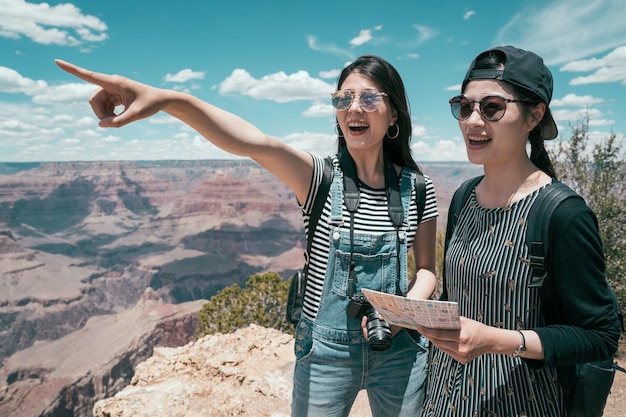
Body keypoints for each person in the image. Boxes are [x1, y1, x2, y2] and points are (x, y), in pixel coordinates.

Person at [56, 54, 439, 417]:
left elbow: (426, 270)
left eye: (370, 97)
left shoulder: (417, 189)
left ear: (394, 118)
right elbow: (252, 141)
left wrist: (398, 315)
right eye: (344, 97)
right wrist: (170, 100)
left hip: (399, 350)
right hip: (325, 355)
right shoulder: (318, 177)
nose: (354, 107)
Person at [416, 45, 622, 416]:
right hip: (445, 397)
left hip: (522, 402)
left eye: (492, 107)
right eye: (465, 107)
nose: (472, 121)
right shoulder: (464, 198)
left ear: (534, 116)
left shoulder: (563, 213)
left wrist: (499, 340)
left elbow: (600, 335)